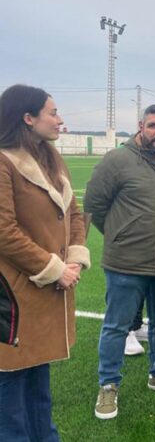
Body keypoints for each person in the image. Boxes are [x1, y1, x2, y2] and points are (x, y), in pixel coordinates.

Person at [85, 104, 155, 420]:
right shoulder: (118, 161)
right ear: (141, 127)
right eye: (153, 126)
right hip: (126, 263)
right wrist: (120, 234)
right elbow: (94, 204)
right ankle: (108, 386)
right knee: (116, 325)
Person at [0, 84, 91, 440]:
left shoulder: (52, 158)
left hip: (49, 292)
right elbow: (4, 231)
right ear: (28, 117)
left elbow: (75, 213)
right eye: (52, 112)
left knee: (39, 386)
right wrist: (54, 269)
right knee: (10, 393)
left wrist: (75, 259)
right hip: (14, 294)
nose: (60, 119)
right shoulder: (3, 162)